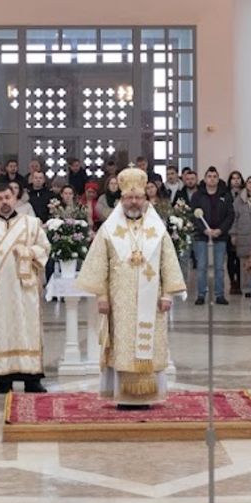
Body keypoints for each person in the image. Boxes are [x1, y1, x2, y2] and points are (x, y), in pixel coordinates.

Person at [77, 168, 187, 408]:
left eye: (138, 197)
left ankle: (148, 394)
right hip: (120, 301)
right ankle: (123, 395)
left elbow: (168, 262)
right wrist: (102, 296)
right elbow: (99, 264)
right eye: (129, 197)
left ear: (145, 199)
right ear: (122, 200)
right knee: (122, 346)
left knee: (150, 346)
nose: (134, 202)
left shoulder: (158, 230)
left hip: (153, 300)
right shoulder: (108, 229)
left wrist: (168, 294)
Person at [0, 183, 50, 395]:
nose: (4, 202)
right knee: (1, 330)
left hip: (25, 289)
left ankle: (32, 378)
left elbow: (45, 248)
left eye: (7, 197)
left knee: (26, 329)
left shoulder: (31, 224)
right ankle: (4, 379)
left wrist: (29, 252)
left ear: (15, 198)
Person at [187, 167, 234, 306]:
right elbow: (193, 215)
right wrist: (204, 230)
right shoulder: (197, 195)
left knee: (219, 267)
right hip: (201, 237)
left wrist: (220, 230)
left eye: (214, 176)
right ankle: (201, 294)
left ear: (218, 179)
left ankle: (219, 295)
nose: (212, 179)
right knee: (201, 266)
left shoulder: (225, 195)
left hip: (220, 236)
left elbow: (230, 215)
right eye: (209, 176)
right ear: (205, 178)